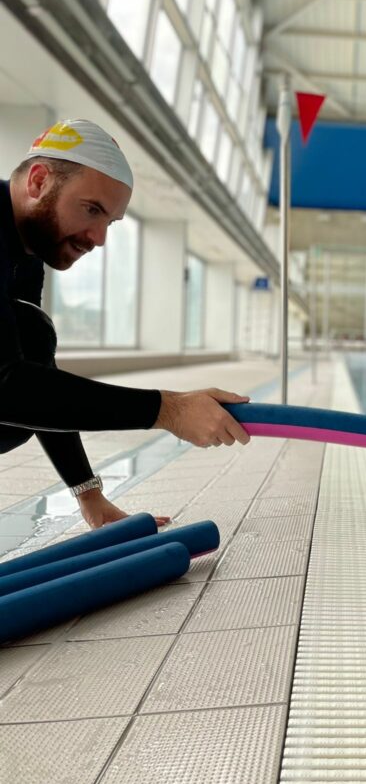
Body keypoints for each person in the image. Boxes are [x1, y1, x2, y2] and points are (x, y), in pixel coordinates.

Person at [1, 118, 251, 529]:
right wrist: (168, 410)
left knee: (31, 334)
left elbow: (32, 370)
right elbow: (6, 386)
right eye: (92, 210)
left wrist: (90, 495)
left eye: (111, 223)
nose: (99, 238)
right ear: (39, 181)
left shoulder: (24, 254)